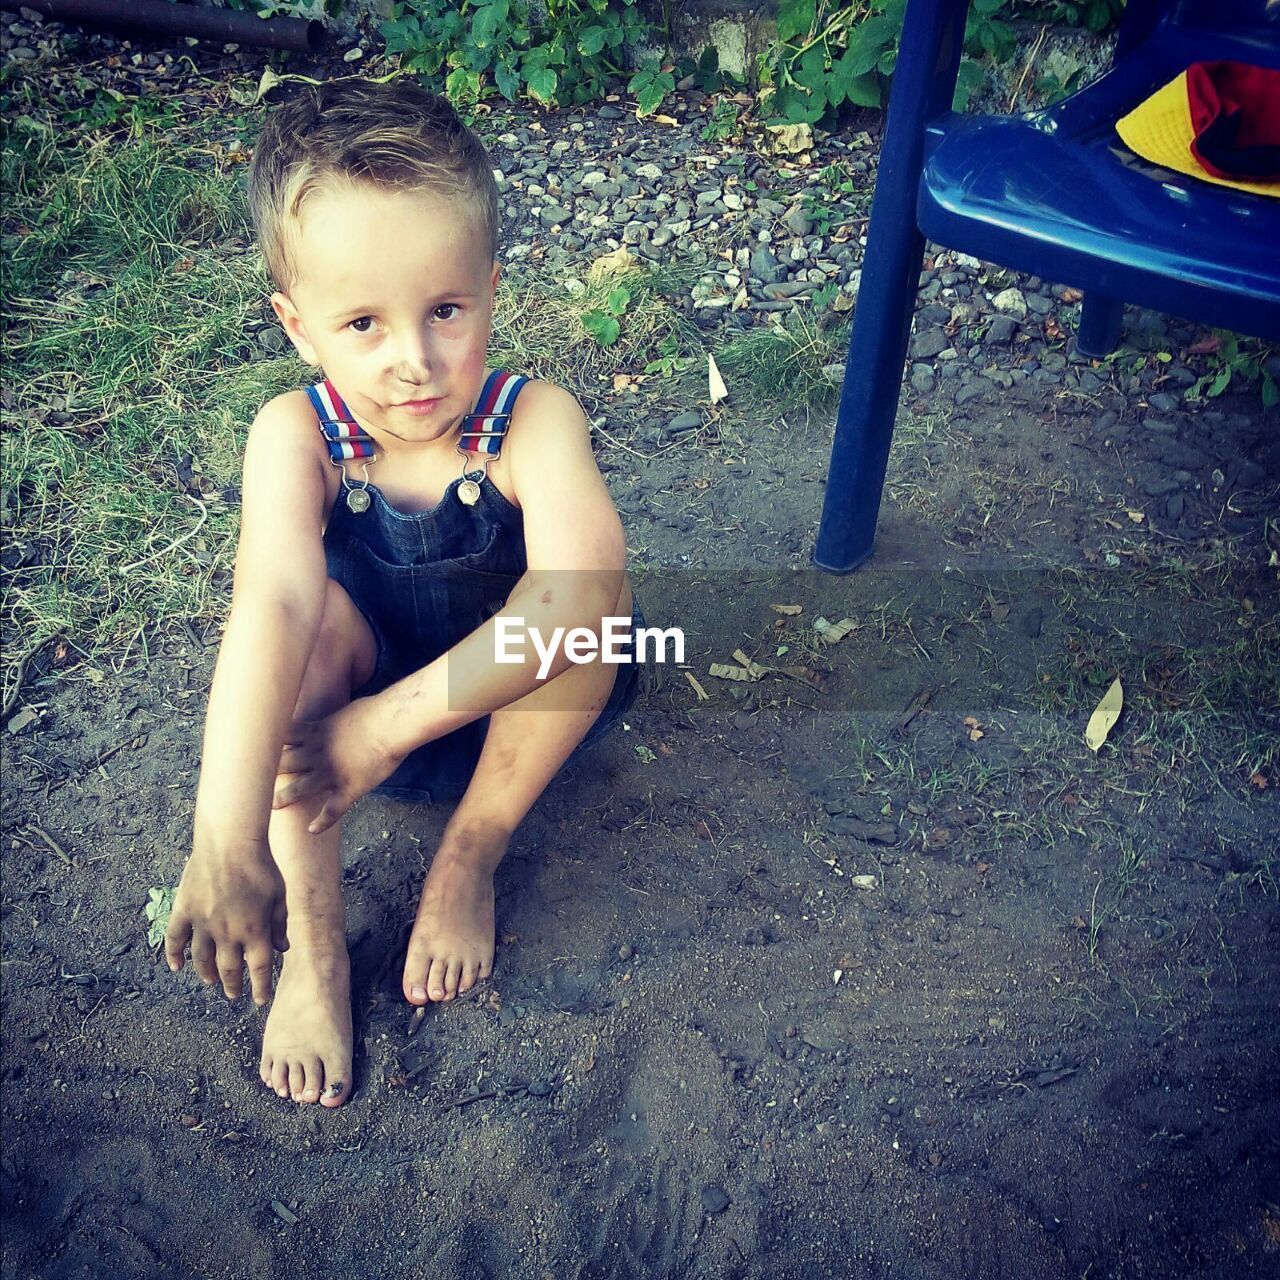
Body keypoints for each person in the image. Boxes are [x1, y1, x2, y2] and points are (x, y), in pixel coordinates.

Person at [164, 79, 641, 1109]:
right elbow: (272, 608)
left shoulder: (528, 419)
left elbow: (583, 597)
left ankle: (467, 852)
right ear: (299, 327)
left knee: (590, 619)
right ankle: (316, 945)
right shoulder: (294, 437)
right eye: (364, 323)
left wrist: (383, 729)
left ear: (491, 288)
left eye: (445, 311)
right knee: (301, 630)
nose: (413, 361)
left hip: (507, 726)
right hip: (344, 726)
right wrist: (223, 834)